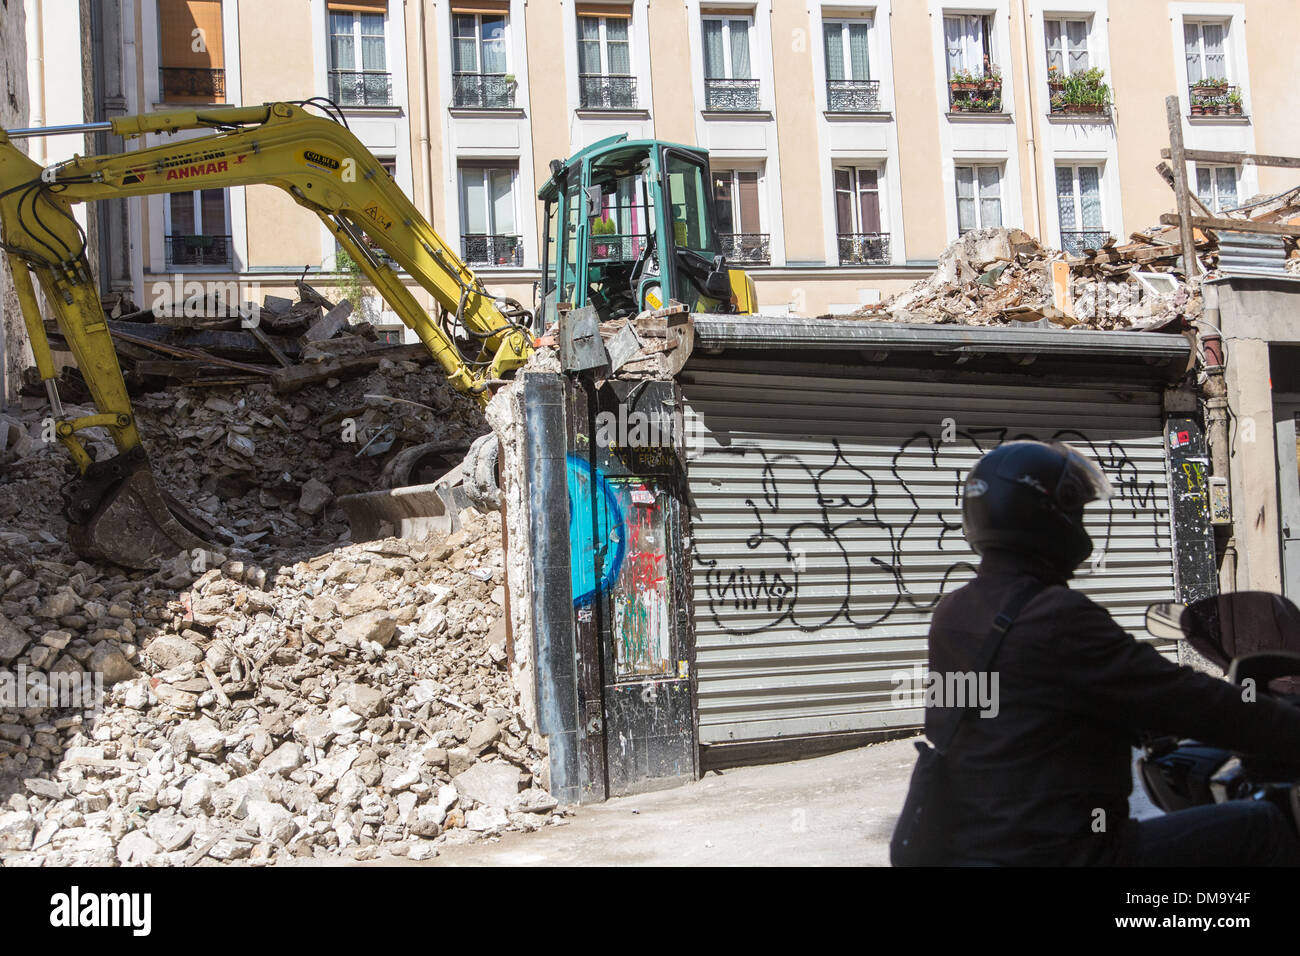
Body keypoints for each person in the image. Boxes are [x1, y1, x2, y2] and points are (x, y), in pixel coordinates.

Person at [924, 439, 1300, 865]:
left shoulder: (953, 613)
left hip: (983, 846)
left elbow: (995, 718)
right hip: (1069, 852)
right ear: (1050, 519)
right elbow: (1191, 701)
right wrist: (1286, 725)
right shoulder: (1056, 616)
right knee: (1264, 823)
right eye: (1078, 512)